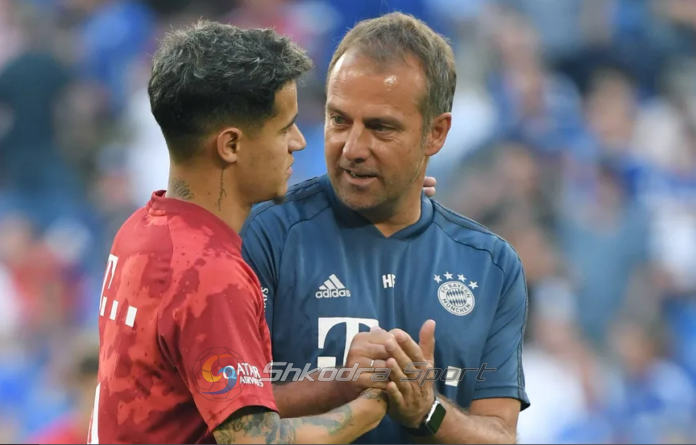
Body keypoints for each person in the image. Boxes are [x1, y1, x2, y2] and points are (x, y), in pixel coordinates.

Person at [88, 20, 389, 444]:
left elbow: (203, 405)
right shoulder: (210, 274)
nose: (298, 142)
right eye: (284, 127)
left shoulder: (137, 231)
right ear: (230, 145)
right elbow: (254, 439)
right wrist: (368, 411)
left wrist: (341, 382)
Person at [241, 12, 530, 444]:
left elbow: (500, 435)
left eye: (380, 127)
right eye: (339, 120)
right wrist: (339, 384)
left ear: (436, 133)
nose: (352, 148)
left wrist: (426, 410)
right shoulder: (267, 235)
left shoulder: (491, 265)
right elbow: (223, 412)